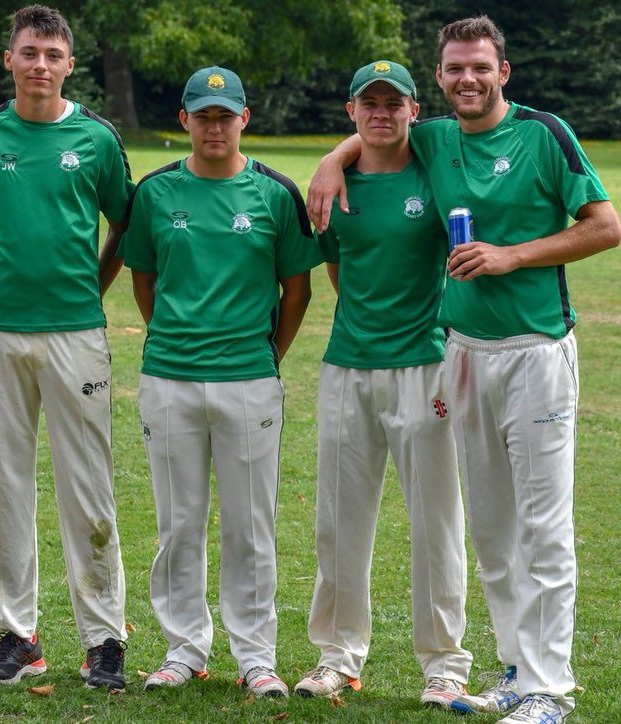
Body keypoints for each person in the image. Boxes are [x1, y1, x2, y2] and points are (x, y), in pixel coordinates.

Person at [306, 17, 620, 724]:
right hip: (466, 354)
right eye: (454, 70)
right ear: (440, 80)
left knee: (544, 526)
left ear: (502, 71)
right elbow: (377, 128)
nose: (468, 80)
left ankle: (550, 689)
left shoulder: (544, 133)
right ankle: (516, 669)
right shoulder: (439, 137)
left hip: (536, 349)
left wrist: (513, 256)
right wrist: (332, 158)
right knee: (492, 527)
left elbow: (606, 225)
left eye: (480, 67)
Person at [0, 4, 131, 689]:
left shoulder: (99, 138)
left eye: (52, 54)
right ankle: (18, 634)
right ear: (10, 60)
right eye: (29, 53)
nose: (40, 65)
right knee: (7, 484)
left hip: (76, 331)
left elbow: (124, 226)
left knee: (89, 488)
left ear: (69, 63)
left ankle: (104, 638)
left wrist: (90, 287)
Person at [121, 66, 320, 698]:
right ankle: (184, 648)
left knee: (250, 524)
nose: (214, 126)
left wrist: (265, 355)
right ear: (184, 120)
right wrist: (180, 339)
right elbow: (144, 281)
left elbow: (297, 289)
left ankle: (256, 655)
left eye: (224, 115)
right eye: (202, 115)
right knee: (179, 522)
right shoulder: (154, 193)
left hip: (250, 381)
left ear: (244, 119)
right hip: (170, 380)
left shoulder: (275, 193)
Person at [291, 60, 471, 710]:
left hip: (425, 366)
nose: (382, 114)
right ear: (352, 110)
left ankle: (445, 666)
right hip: (346, 367)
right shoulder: (335, 191)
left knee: (436, 522)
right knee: (338, 522)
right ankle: (337, 658)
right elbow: (339, 269)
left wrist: (331, 154)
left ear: (414, 111)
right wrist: (335, 160)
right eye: (369, 103)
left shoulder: (435, 170)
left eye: (394, 103)